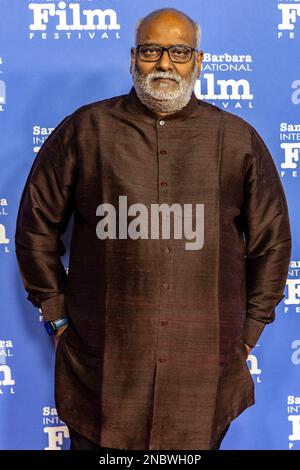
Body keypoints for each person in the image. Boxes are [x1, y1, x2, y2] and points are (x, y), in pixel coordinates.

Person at [15, 8, 291, 451]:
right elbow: (35, 228)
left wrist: (248, 334)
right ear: (133, 57)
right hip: (102, 371)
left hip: (202, 374)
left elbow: (272, 244)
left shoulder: (235, 139)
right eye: (151, 50)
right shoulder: (85, 130)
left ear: (197, 61)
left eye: (179, 51)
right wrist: (57, 315)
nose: (165, 63)